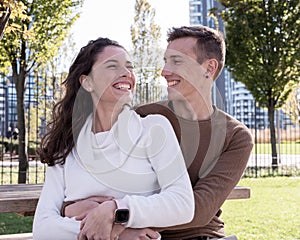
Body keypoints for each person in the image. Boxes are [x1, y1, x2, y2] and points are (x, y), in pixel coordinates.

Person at [63, 25, 254, 240]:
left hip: (200, 236)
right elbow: (94, 184)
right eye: (166, 61)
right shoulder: (143, 118)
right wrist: (75, 209)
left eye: (177, 61)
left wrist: (117, 218)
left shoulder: (236, 136)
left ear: (209, 68)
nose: (165, 71)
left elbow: (198, 210)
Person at [32, 37, 195, 240]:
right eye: (112, 66)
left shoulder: (154, 128)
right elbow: (43, 227)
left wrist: (115, 210)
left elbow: (182, 204)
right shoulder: (65, 145)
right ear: (87, 82)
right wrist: (120, 233)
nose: (127, 73)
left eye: (129, 67)